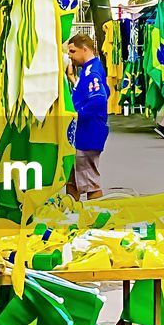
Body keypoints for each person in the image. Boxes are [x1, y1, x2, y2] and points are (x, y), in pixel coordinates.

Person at [65, 31, 110, 200]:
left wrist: (78, 115)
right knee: (73, 180)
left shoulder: (92, 72)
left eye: (72, 51)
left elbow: (99, 99)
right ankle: (72, 214)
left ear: (85, 49)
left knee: (90, 182)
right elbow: (107, 91)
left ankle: (96, 216)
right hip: (84, 133)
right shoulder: (89, 70)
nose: (70, 56)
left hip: (87, 133)